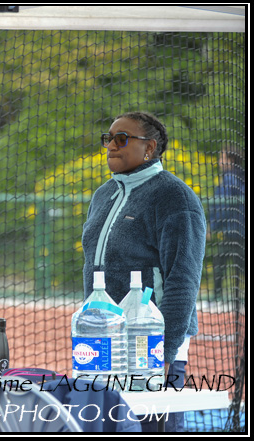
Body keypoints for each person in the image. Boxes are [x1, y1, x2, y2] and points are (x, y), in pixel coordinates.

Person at [82, 111, 206, 432]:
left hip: (148, 344)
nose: (111, 145)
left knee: (154, 429)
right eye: (108, 138)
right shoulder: (103, 194)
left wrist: (163, 351)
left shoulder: (174, 196)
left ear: (149, 147)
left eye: (121, 139)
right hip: (102, 342)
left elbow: (183, 279)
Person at [208, 144, 246, 300]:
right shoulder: (241, 176)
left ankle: (216, 297)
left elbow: (222, 207)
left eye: (222, 157)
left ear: (230, 160)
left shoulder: (230, 178)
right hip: (240, 230)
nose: (219, 161)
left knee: (220, 264)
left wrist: (213, 227)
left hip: (233, 231)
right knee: (238, 265)